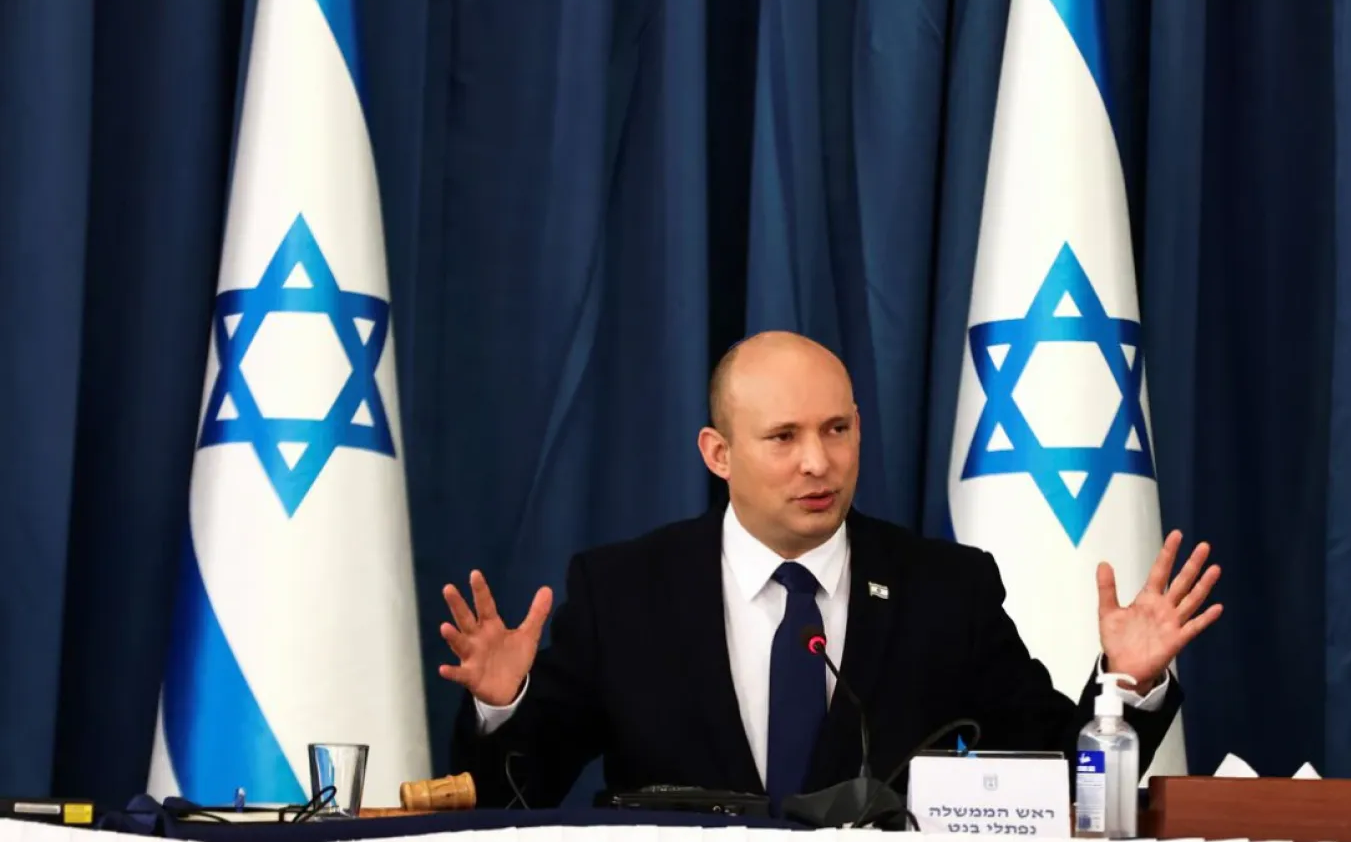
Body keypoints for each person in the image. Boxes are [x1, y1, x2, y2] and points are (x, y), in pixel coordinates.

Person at [439, 331, 1222, 813]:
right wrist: (505, 706)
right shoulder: (625, 592)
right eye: (783, 436)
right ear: (719, 454)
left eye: (838, 428)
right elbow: (521, 795)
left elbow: (1056, 772)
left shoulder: (946, 590)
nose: (819, 461)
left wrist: (1125, 683)